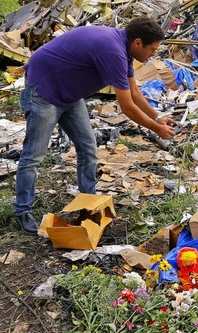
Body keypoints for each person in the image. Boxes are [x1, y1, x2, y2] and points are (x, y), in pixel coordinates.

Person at [14, 16, 176, 234]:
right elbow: (127, 107)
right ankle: (23, 210)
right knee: (34, 155)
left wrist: (157, 118)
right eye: (152, 49)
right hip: (43, 90)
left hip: (70, 94)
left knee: (88, 148)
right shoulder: (113, 52)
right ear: (138, 43)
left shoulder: (124, 48)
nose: (153, 54)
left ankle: (88, 204)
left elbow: (134, 91)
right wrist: (157, 130)